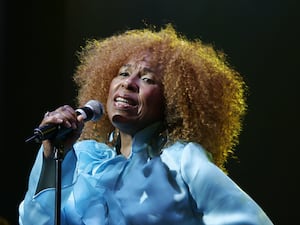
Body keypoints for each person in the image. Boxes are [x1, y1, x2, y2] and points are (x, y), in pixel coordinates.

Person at [19, 24, 273, 225]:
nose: (128, 83)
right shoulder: (82, 159)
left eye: (147, 79)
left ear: (172, 102)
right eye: (122, 73)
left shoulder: (183, 161)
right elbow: (34, 221)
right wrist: (52, 155)